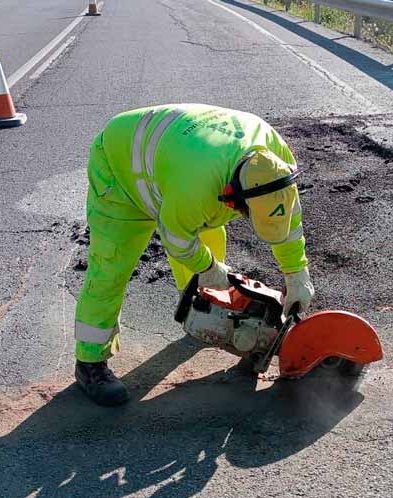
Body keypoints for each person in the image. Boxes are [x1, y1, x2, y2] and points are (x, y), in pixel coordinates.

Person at [73, 104, 314, 406]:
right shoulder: (195, 187)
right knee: (112, 263)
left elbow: (289, 223)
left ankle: (200, 313)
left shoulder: (278, 162)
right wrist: (209, 268)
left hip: (180, 164)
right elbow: (176, 239)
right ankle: (90, 363)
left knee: (210, 244)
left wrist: (296, 273)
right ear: (231, 197)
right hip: (121, 167)